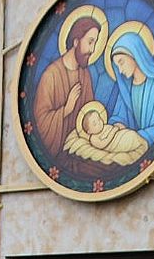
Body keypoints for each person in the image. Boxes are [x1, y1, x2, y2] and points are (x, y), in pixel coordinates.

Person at [33, 17, 102, 160]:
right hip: (61, 153)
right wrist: (66, 110)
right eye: (90, 42)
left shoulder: (85, 74)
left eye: (95, 43)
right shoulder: (50, 76)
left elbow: (89, 113)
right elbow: (40, 125)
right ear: (76, 42)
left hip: (81, 147)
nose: (93, 49)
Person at [106, 31, 154, 146]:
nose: (120, 71)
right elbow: (119, 117)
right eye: (117, 67)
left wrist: (134, 137)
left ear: (134, 54)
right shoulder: (126, 88)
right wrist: (117, 125)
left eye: (121, 62)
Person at [64, 100, 149, 165]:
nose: (99, 122)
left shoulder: (105, 126)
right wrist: (113, 132)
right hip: (116, 144)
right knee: (130, 138)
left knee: (132, 135)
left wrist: (119, 126)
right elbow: (103, 144)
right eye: (95, 123)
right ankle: (138, 144)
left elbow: (114, 128)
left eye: (99, 119)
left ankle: (141, 144)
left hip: (121, 135)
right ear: (89, 131)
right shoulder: (94, 138)